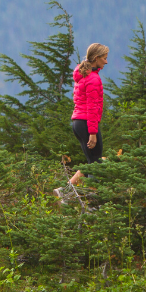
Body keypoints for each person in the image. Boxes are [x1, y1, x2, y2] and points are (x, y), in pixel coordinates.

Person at [60, 43, 109, 197]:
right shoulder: (93, 79)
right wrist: (93, 133)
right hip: (87, 123)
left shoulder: (83, 74)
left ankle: (64, 191)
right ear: (96, 58)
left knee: (92, 160)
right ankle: (94, 198)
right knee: (96, 162)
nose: (106, 62)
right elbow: (93, 107)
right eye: (104, 58)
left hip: (78, 123)